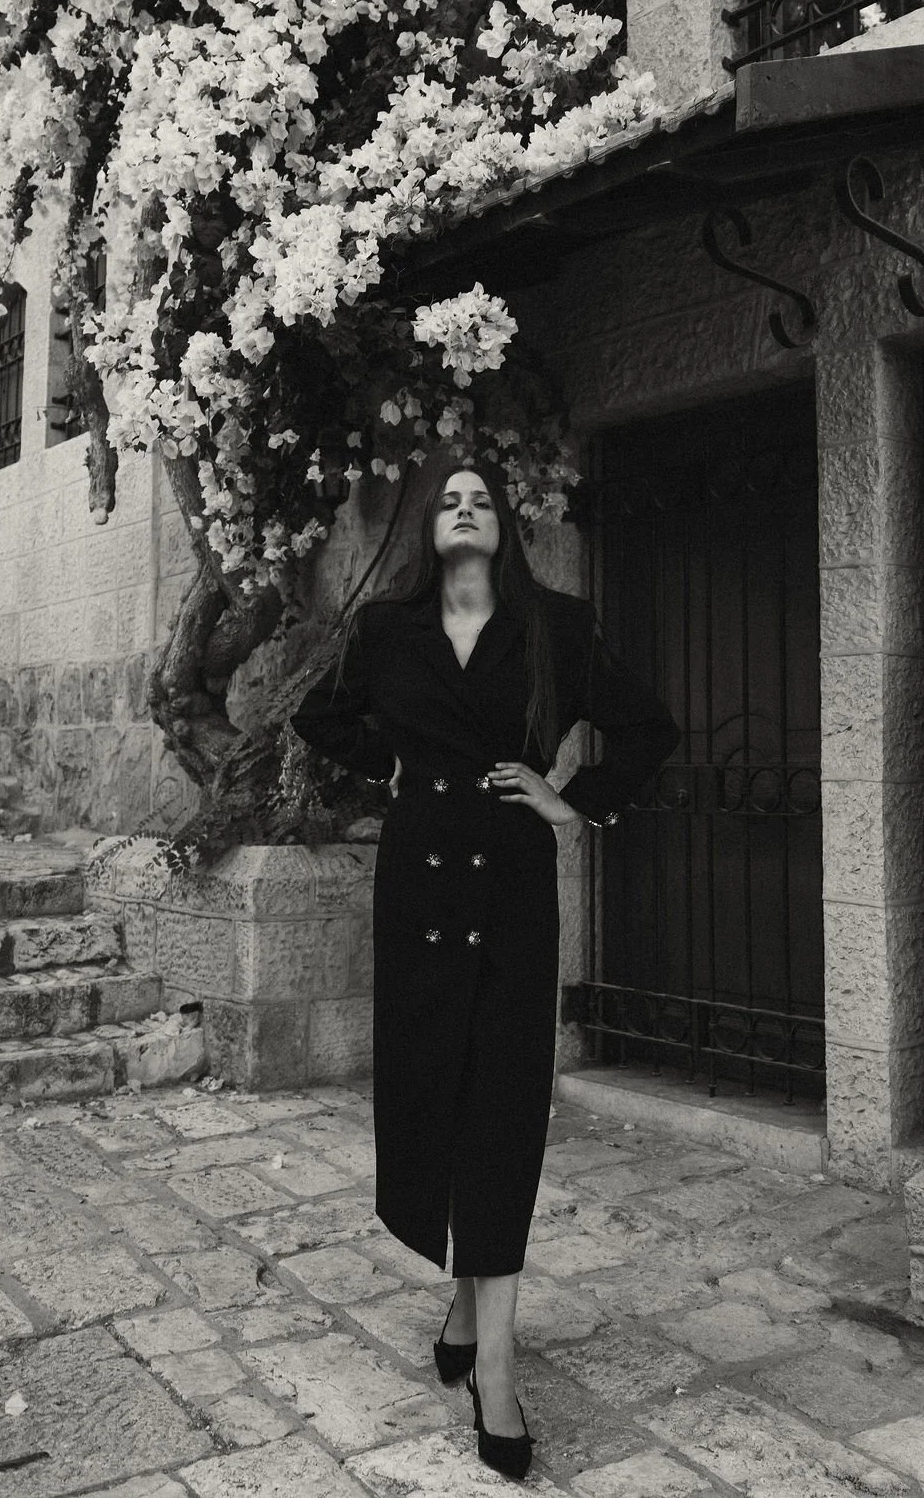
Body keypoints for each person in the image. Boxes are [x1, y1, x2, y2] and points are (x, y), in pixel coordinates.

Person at [290, 460, 679, 1480]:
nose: (464, 506)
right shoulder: (386, 629)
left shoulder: (556, 624)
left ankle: (495, 1365)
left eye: (481, 497)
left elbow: (648, 727)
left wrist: (570, 797)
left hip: (509, 879)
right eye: (448, 497)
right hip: (418, 883)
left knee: (503, 1103)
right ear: (431, 525)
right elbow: (318, 716)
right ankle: (465, 1295)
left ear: (505, 524)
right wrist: (393, 765)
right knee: (431, 1090)